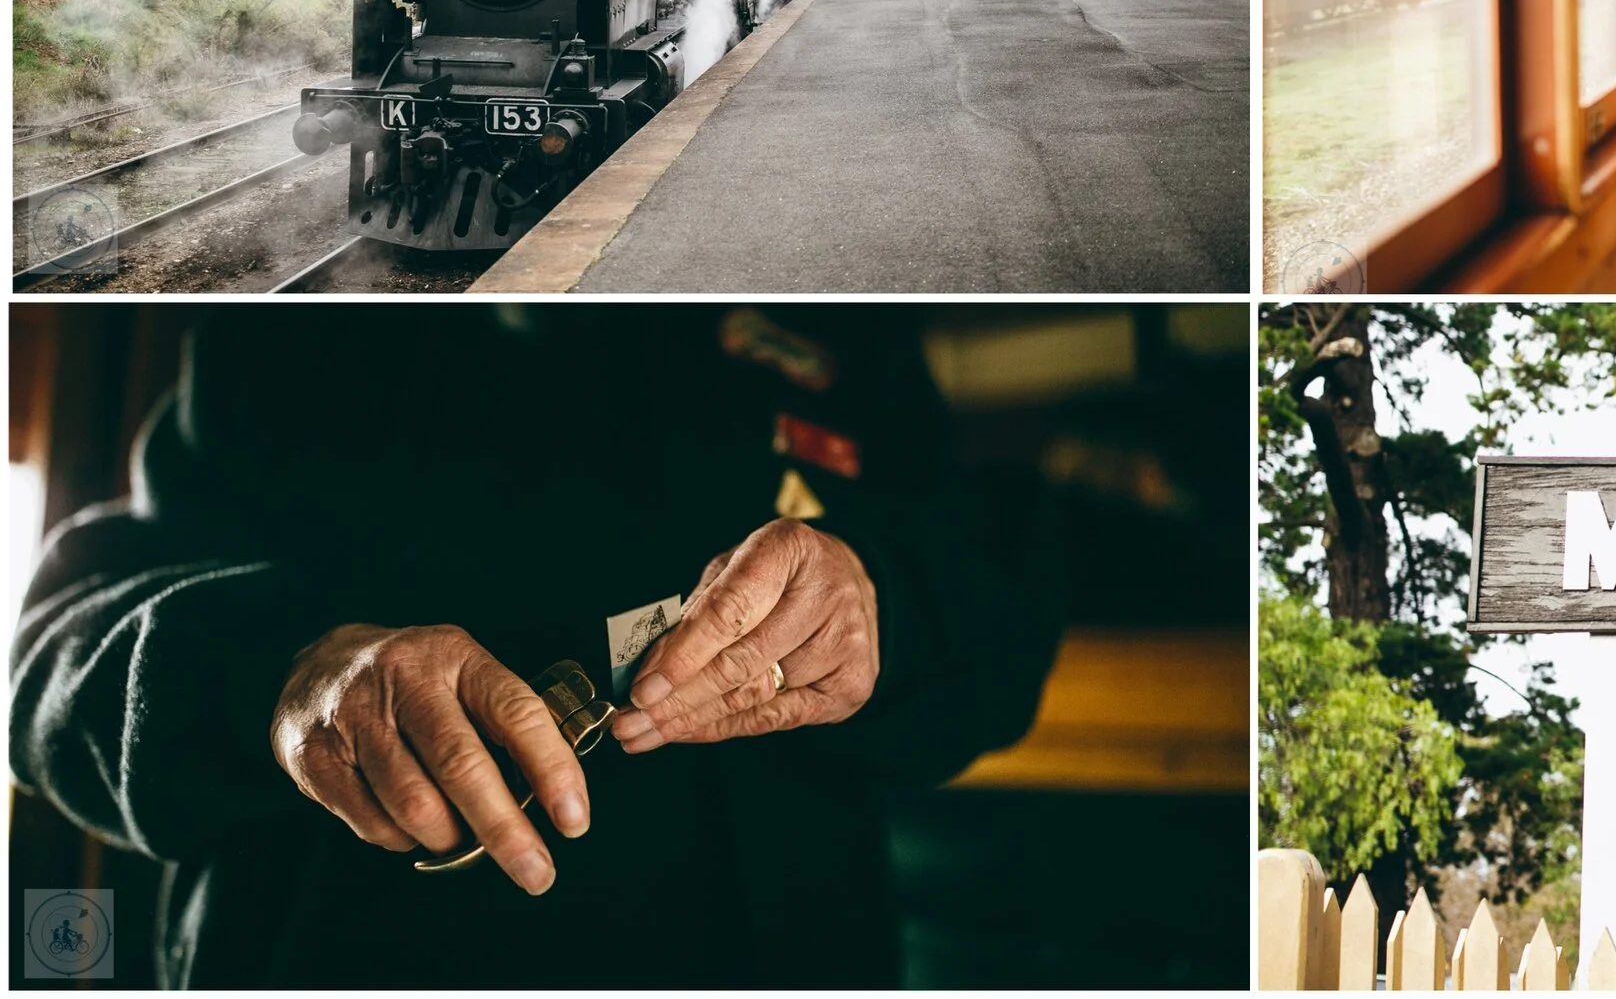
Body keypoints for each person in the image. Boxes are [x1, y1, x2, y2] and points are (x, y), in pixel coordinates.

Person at [7, 306, 1063, 987]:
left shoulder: (842, 322)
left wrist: (874, 600)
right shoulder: (278, 330)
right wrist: (283, 673)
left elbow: (994, 623)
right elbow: (47, 658)